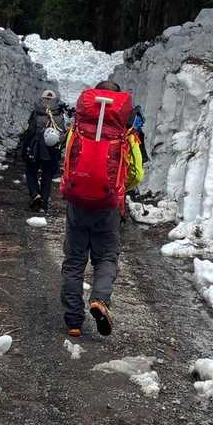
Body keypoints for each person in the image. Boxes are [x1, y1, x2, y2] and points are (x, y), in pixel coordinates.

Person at [59, 81, 143, 337]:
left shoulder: (78, 128)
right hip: (108, 205)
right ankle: (99, 300)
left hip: (77, 203)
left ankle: (74, 321)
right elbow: (137, 173)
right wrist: (119, 188)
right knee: (106, 257)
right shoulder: (126, 133)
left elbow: (67, 160)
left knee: (74, 261)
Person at [20, 89, 65, 215]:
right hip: (52, 151)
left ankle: (35, 194)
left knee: (31, 171)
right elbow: (62, 135)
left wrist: (25, 147)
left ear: (41, 99)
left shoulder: (36, 113)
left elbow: (30, 132)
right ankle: (44, 202)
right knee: (47, 176)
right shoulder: (59, 115)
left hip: (36, 148)